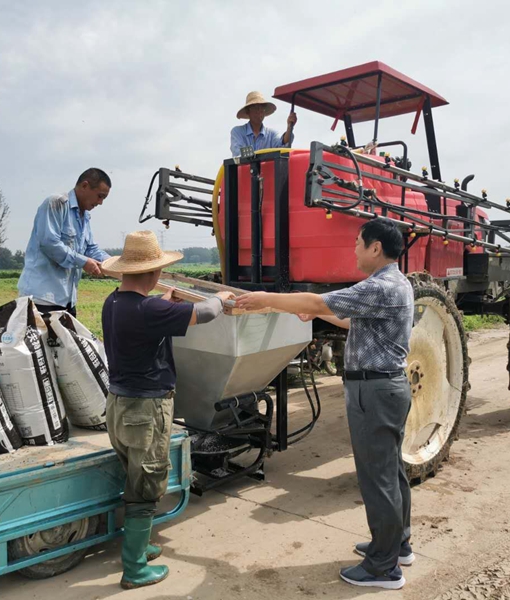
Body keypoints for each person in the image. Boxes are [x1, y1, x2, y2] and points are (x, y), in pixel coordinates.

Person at [235, 218, 414, 591]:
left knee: (378, 477)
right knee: (391, 471)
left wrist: (266, 300)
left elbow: (318, 300)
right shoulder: (396, 283)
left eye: (358, 242)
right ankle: (396, 545)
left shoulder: (379, 286)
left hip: (375, 391)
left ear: (376, 248)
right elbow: (352, 322)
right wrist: (317, 313)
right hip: (386, 388)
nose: (354, 249)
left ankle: (383, 568)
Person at [101, 230, 234, 590]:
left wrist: (165, 302)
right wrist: (221, 298)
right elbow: (206, 312)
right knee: (147, 483)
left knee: (135, 475)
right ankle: (134, 569)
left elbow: (147, 315)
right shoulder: (150, 310)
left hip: (118, 405)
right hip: (146, 409)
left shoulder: (114, 302)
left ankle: (140, 546)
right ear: (154, 272)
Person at [17, 168, 112, 316]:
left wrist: (113, 263)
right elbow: (50, 244)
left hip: (67, 300)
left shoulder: (85, 216)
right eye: (100, 196)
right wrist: (84, 262)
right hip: (42, 298)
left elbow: (90, 249)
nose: (100, 202)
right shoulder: (56, 203)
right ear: (85, 186)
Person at [230, 91, 297, 157]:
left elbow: (282, 147)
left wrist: (289, 127)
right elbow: (238, 153)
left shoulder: (272, 134)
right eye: (255, 108)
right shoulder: (237, 132)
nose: (259, 111)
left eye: (262, 108)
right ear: (248, 111)